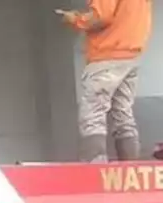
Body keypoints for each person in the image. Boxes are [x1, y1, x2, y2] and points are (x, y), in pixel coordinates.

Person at [60, 1, 153, 162]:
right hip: (131, 56)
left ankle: (95, 170)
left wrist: (75, 19)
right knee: (123, 113)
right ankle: (131, 168)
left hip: (106, 56)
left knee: (93, 113)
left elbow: (100, 17)